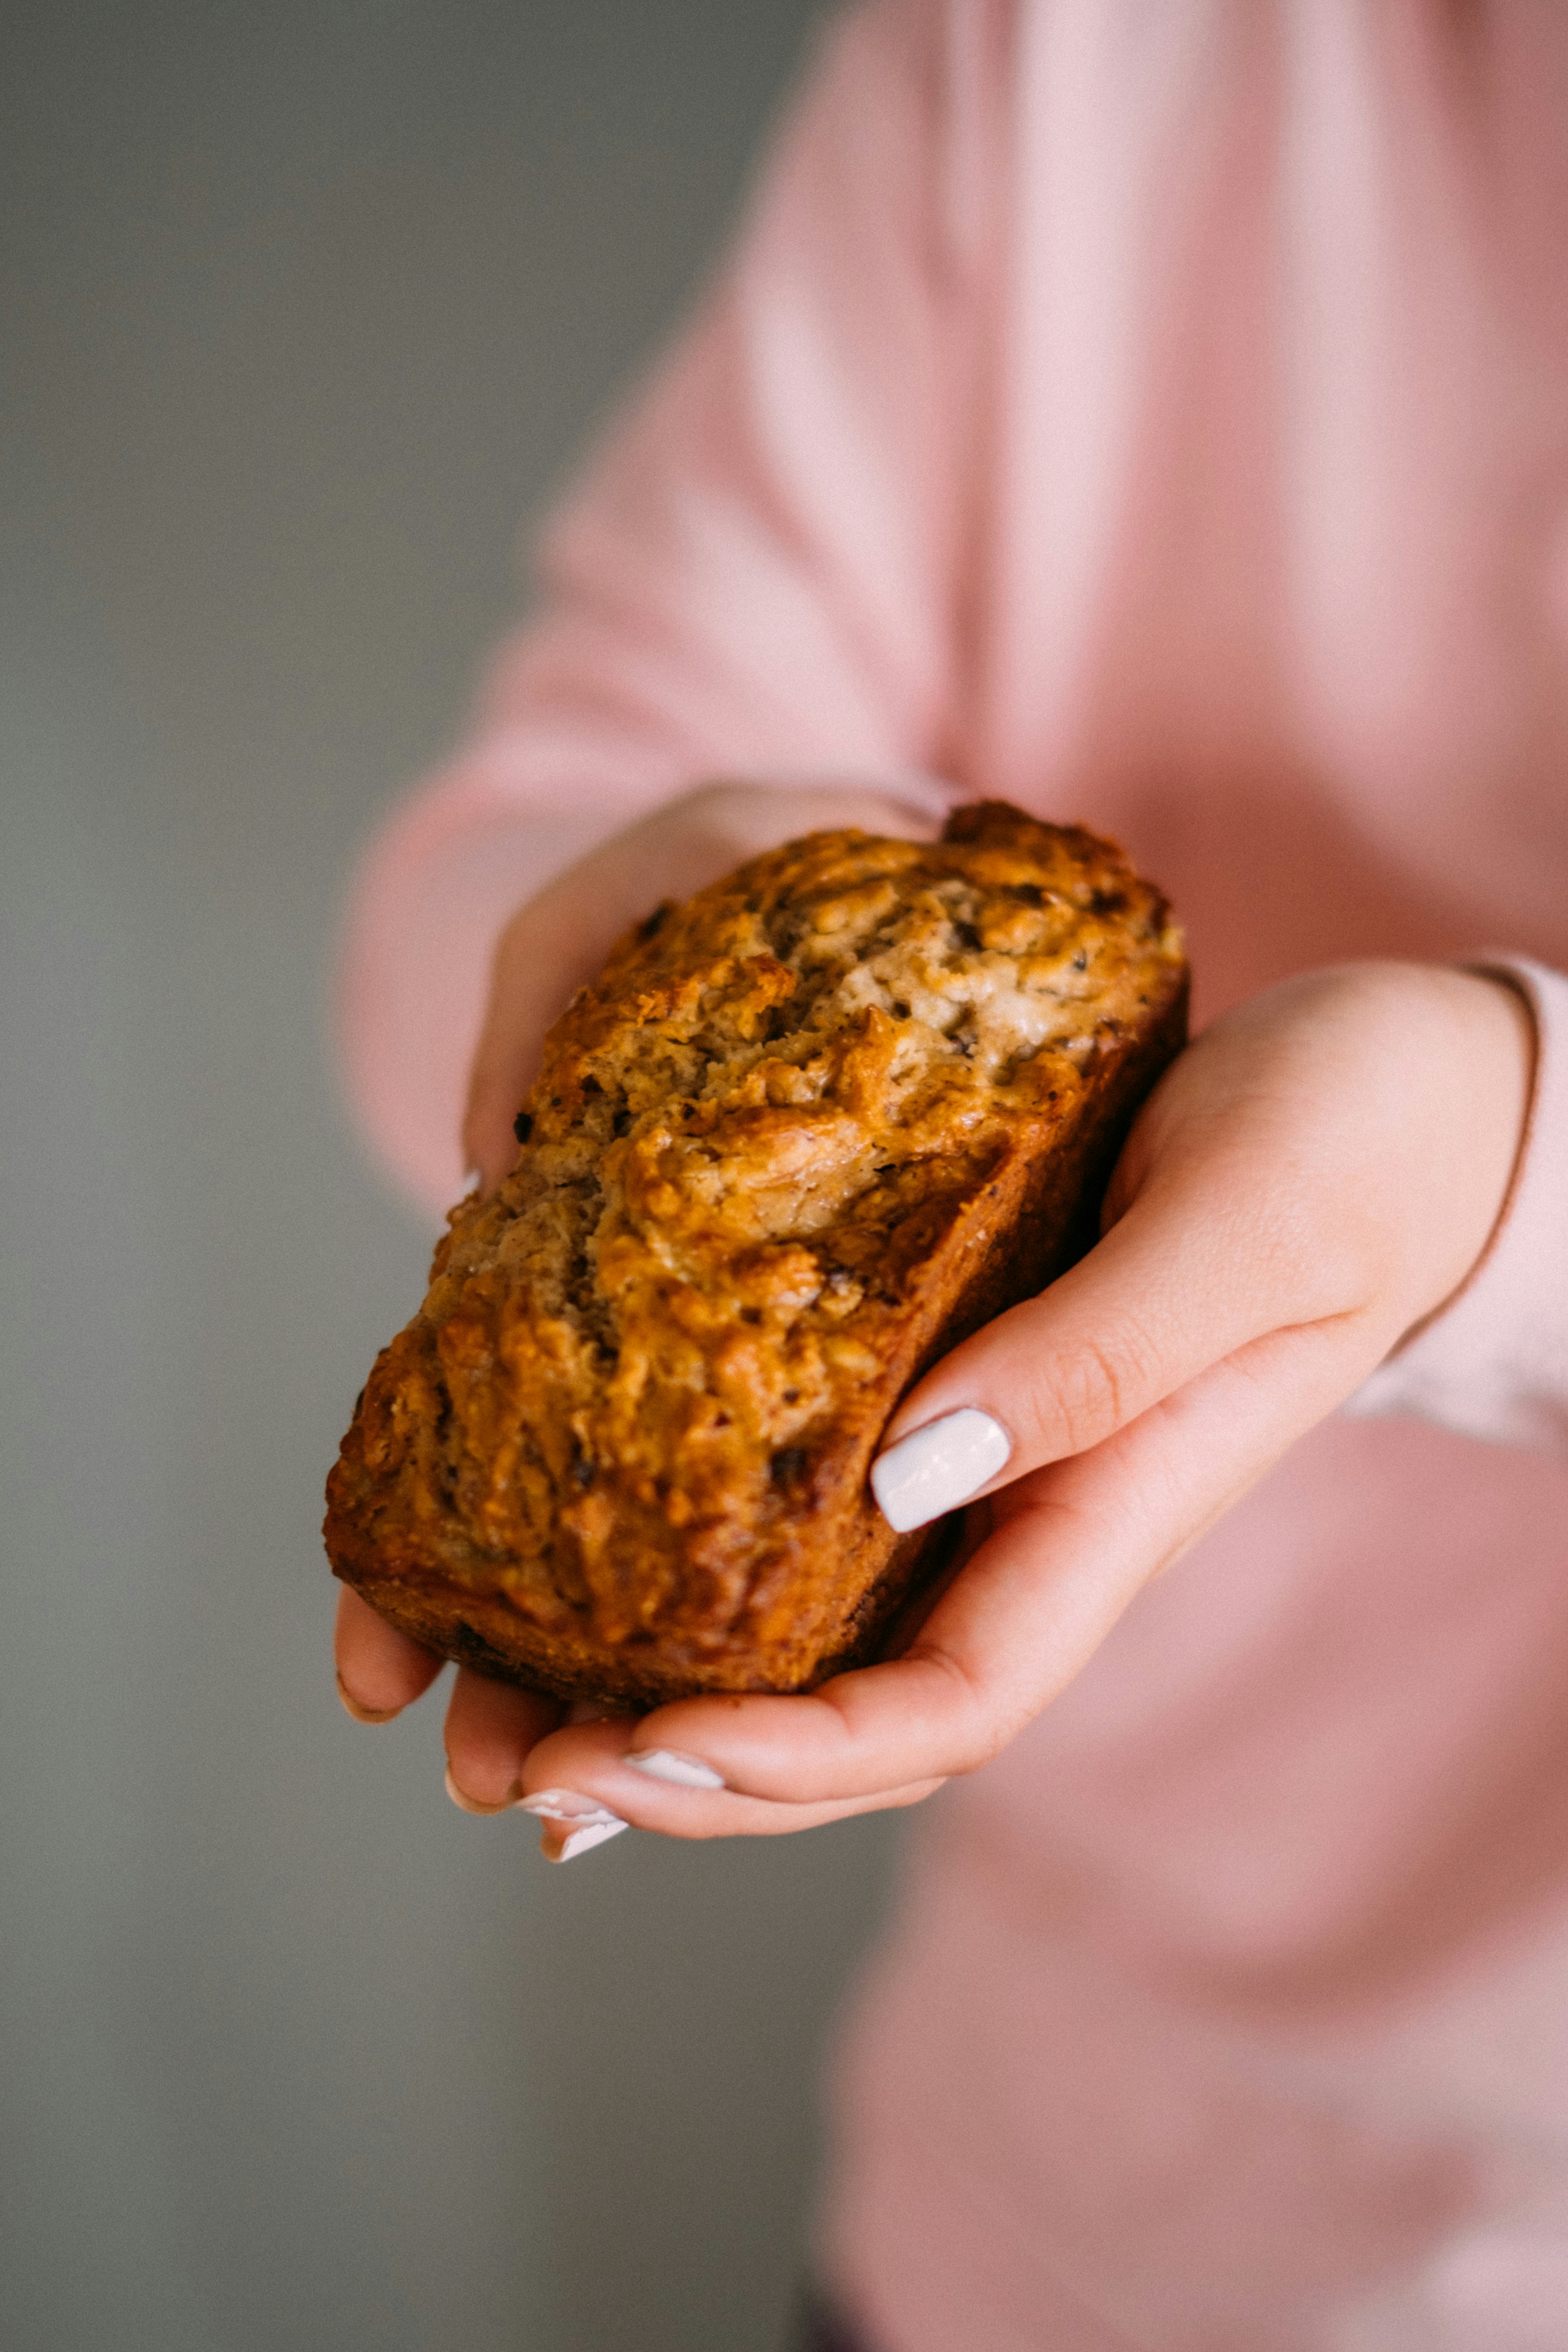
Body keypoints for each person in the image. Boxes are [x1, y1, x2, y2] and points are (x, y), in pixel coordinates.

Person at [331, 3, 1568, 2344]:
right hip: (1043, 2204)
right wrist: (647, 896)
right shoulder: (1087, 42)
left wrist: (1502, 1171)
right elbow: (540, 807)